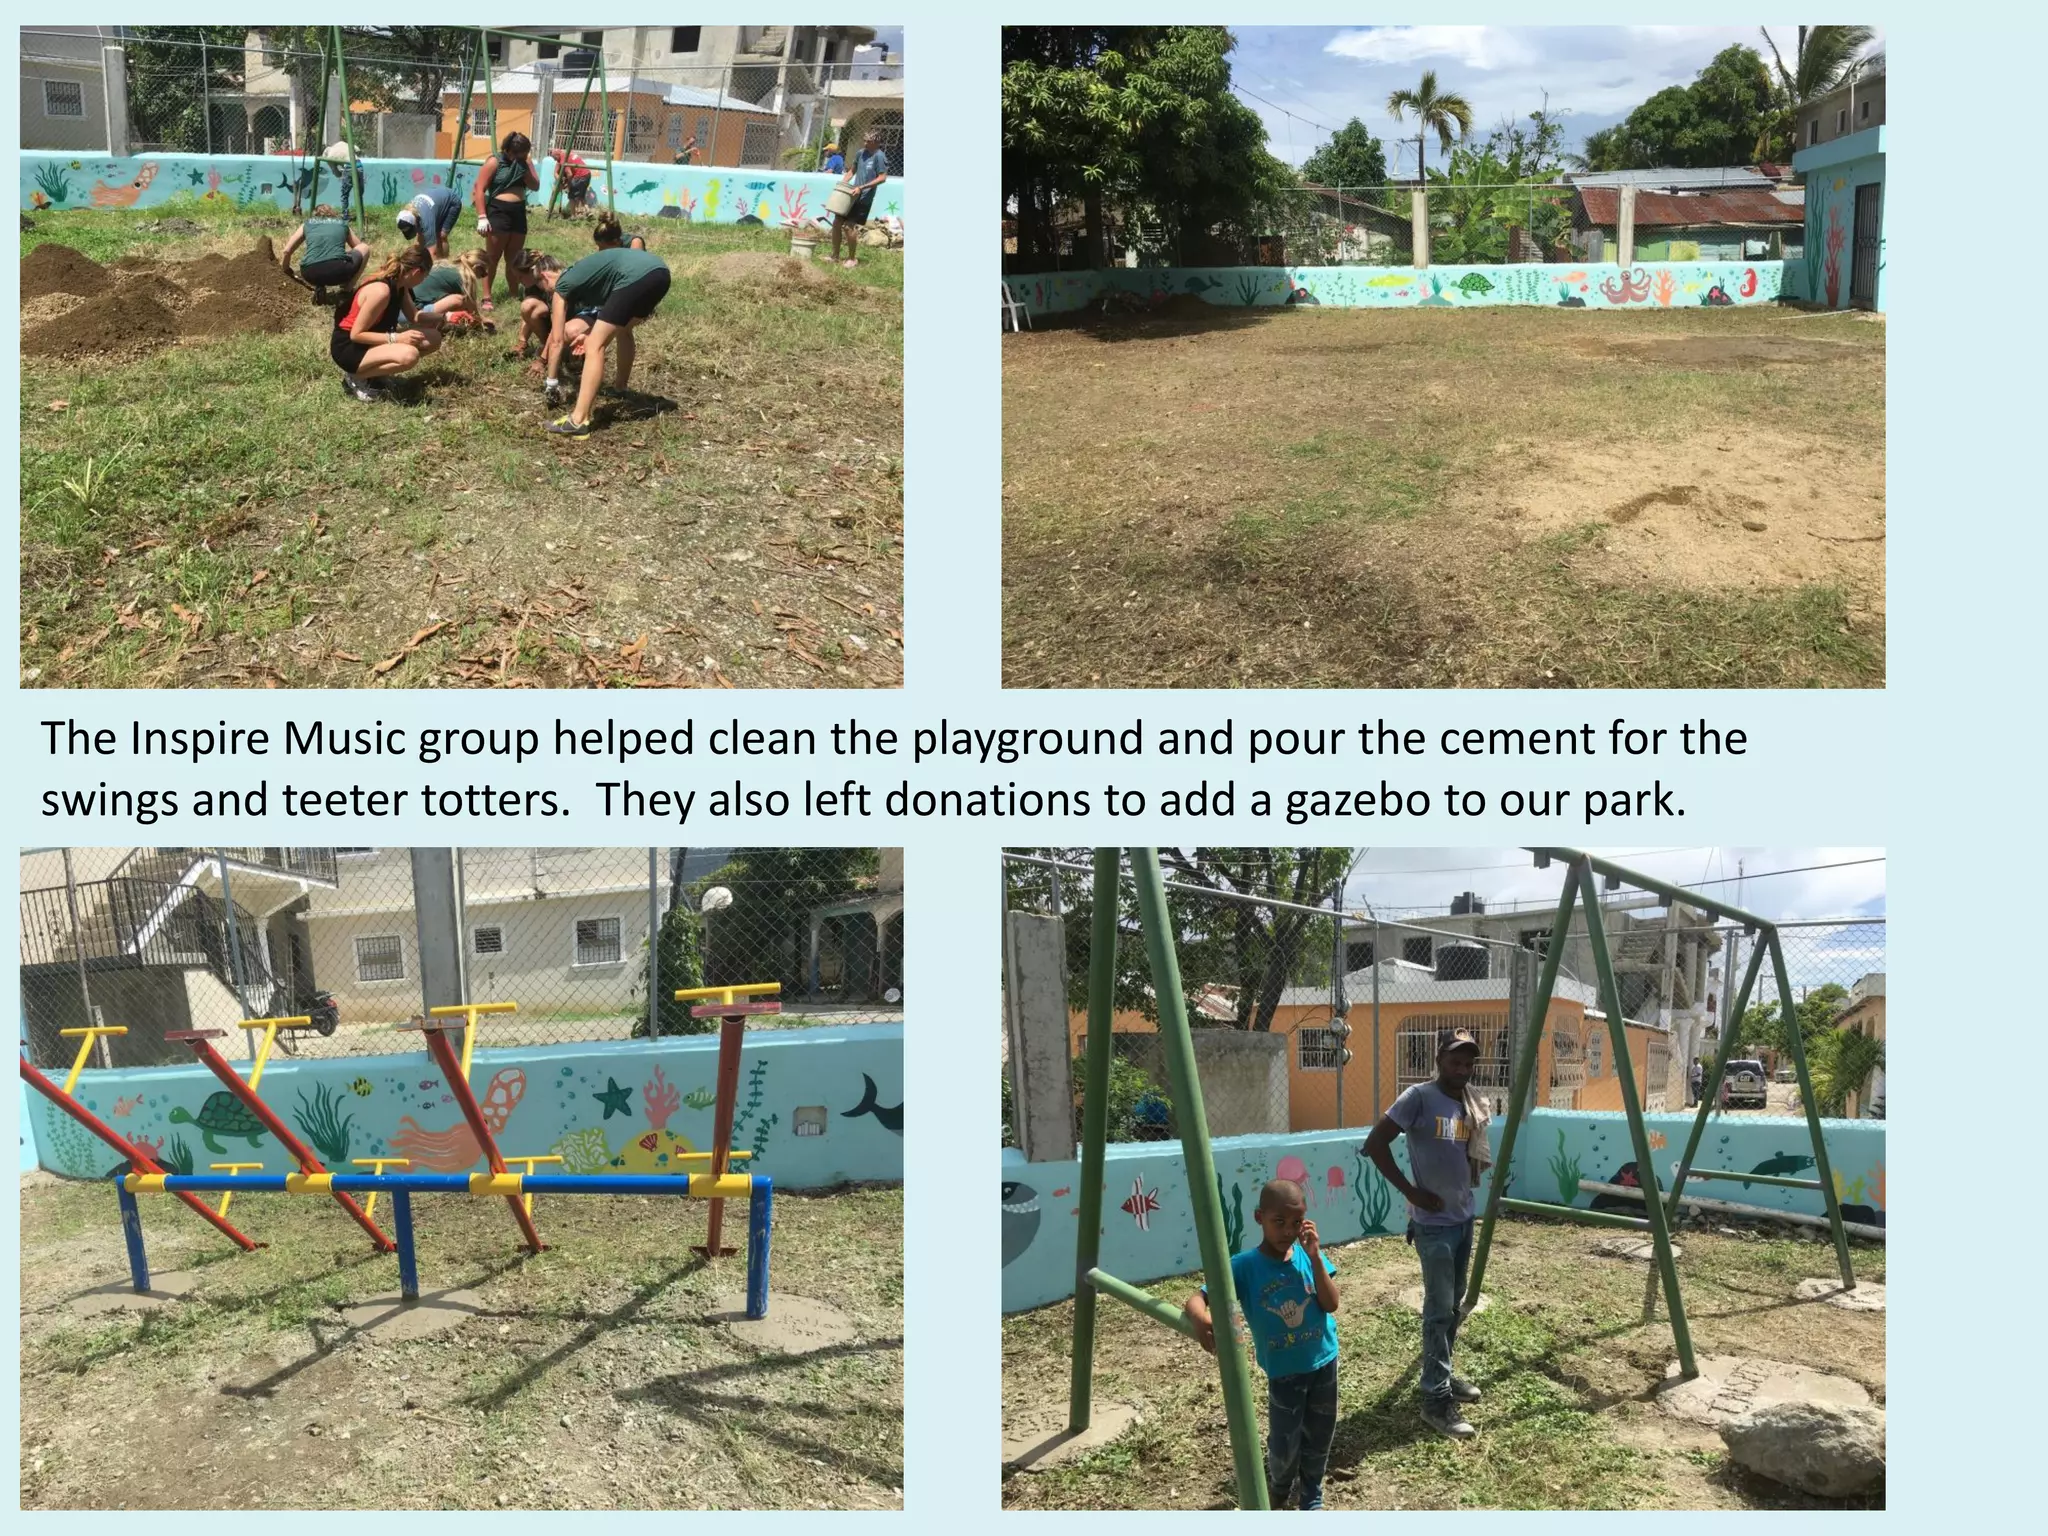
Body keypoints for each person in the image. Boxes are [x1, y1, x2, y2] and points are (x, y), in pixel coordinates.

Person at [1363, 1027, 1494, 1440]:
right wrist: (1411, 1192)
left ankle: (1443, 1373)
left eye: (1469, 1062)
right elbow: (1375, 1144)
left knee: (1452, 1307)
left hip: (1462, 1220)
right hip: (1434, 1227)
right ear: (1439, 1059)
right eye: (1456, 1060)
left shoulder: (1468, 1104)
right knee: (1438, 1311)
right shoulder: (1418, 1098)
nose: (1463, 1068)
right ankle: (1435, 1401)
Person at [1183, 1179, 1340, 1510]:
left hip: (1324, 1361)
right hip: (1284, 1372)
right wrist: (1201, 1318)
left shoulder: (1307, 1258)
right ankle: (1280, 1488)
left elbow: (1331, 1303)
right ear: (1259, 1218)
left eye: (1296, 1223)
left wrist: (1313, 1258)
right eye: (1278, 1222)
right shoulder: (1244, 1266)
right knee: (1284, 1441)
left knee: (1320, 1433)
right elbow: (1198, 1297)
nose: (1287, 1231)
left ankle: (1311, 1490)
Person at [536, 214, 671, 437]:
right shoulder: (590, 273)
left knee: (594, 347)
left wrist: (551, 382)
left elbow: (557, 340)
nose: (548, 294)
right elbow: (615, 318)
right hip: (660, 272)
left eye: (545, 289)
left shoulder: (563, 286)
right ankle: (620, 388)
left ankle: (578, 421)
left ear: (545, 277)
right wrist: (591, 337)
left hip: (635, 276)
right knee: (622, 331)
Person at [330, 242, 439, 402]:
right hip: (349, 348)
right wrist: (397, 338)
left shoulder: (401, 285)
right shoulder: (381, 291)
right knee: (409, 356)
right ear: (417, 272)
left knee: (433, 337)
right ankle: (355, 376)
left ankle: (376, 374)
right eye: (425, 276)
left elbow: (414, 317)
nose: (423, 281)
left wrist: (446, 317)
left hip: (370, 341)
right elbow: (356, 334)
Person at [473, 130, 540, 314]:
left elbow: (535, 185)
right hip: (498, 211)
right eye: (521, 153)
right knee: (492, 257)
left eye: (526, 153)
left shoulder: (525, 162)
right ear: (510, 151)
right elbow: (479, 189)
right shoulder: (495, 162)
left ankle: (513, 293)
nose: (525, 156)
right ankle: (487, 297)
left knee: (514, 257)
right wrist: (482, 216)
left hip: (518, 212)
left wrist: (525, 167)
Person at [830, 129, 890, 269]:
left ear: (876, 142)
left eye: (868, 141)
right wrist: (843, 184)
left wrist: (862, 187)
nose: (865, 143)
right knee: (837, 222)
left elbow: (882, 178)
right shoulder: (860, 153)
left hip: (864, 197)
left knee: (849, 226)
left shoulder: (879, 156)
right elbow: (852, 171)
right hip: (851, 195)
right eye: (864, 140)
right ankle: (835, 256)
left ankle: (852, 259)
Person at [280, 204, 368, 290]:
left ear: (315, 214)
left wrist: (286, 269)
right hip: (338, 271)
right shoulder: (342, 224)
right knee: (364, 247)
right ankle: (347, 288)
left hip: (310, 273)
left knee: (318, 264)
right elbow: (359, 247)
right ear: (333, 213)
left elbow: (287, 251)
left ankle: (319, 285)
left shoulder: (307, 224)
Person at [409, 249, 491, 330]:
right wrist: (481, 323)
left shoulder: (448, 267)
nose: (482, 277)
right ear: (477, 268)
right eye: (483, 273)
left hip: (408, 309)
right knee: (459, 300)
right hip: (417, 314)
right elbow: (471, 307)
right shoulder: (464, 278)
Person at [396, 184, 463, 258]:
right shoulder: (410, 213)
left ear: (415, 222)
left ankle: (444, 263)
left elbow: (432, 252)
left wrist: (429, 267)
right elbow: (420, 238)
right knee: (421, 234)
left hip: (451, 201)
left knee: (441, 235)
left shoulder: (426, 221)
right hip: (436, 200)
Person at [549, 146, 594, 216]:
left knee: (571, 197)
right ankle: (588, 211)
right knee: (581, 196)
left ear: (557, 155)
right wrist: (560, 180)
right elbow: (555, 172)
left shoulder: (563, 159)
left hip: (579, 176)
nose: (554, 160)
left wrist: (568, 184)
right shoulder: (566, 153)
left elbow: (569, 174)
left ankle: (573, 216)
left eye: (554, 158)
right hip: (587, 174)